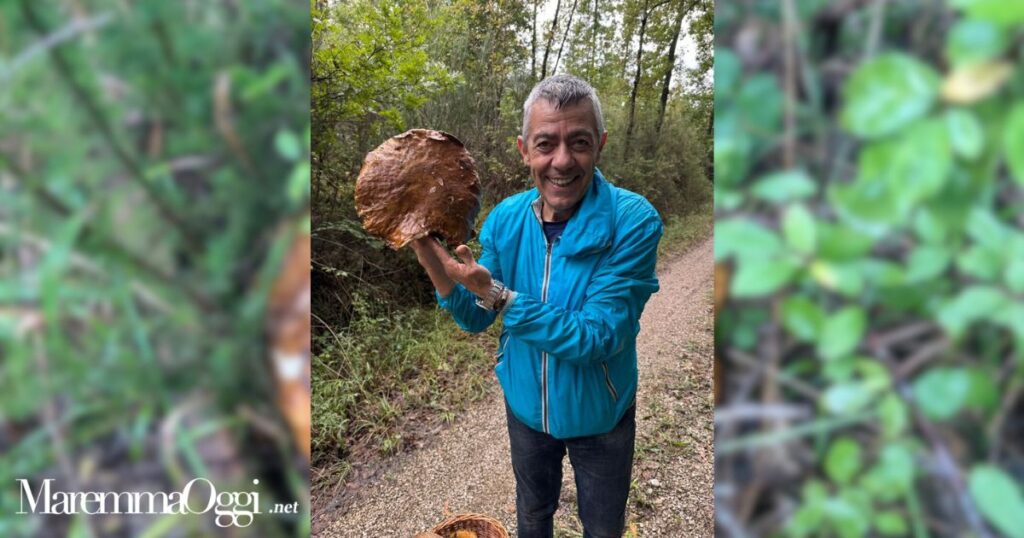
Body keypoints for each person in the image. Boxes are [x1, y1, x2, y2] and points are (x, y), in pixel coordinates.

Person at [410, 74, 662, 538]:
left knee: (603, 528)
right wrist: (427, 252)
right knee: (532, 515)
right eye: (545, 144)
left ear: (600, 145)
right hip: (526, 409)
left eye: (579, 142)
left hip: (602, 417)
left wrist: (500, 296)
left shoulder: (633, 221)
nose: (562, 161)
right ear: (524, 149)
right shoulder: (506, 219)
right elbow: (473, 316)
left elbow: (597, 336)